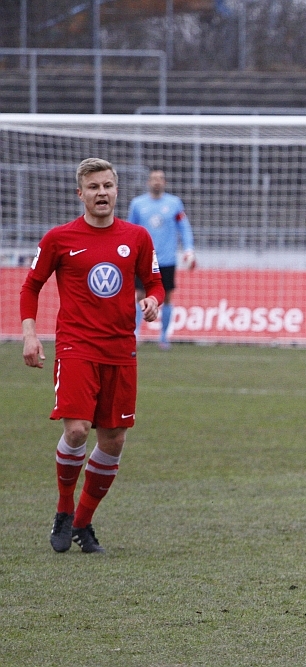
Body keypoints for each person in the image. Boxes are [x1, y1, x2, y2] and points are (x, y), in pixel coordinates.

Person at [21, 157, 163, 554]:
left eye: (108, 186)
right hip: (76, 346)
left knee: (114, 439)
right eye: (94, 187)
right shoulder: (59, 238)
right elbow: (30, 286)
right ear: (79, 193)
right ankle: (64, 509)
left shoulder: (136, 237)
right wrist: (30, 335)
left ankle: (83, 523)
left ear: (116, 190)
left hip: (121, 348)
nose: (102, 193)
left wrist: (153, 299)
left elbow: (154, 282)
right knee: (77, 430)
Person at [128, 169, 194, 350]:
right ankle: (135, 334)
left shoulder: (174, 204)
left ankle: (164, 337)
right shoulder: (137, 204)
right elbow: (129, 230)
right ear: (148, 182)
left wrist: (189, 249)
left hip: (167, 259)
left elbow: (184, 228)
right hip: (144, 259)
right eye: (153, 179)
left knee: (167, 297)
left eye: (160, 179)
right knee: (139, 295)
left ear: (164, 182)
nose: (157, 182)